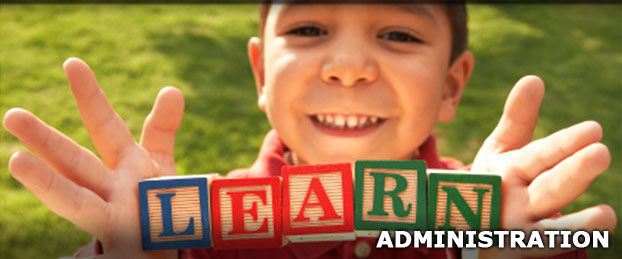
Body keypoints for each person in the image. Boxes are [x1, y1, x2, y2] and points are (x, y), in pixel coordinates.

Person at [2, 2, 616, 259]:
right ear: (261, 73)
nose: (347, 67)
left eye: (398, 34)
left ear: (452, 86)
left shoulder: (489, 222)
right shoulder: (191, 231)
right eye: (309, 29)